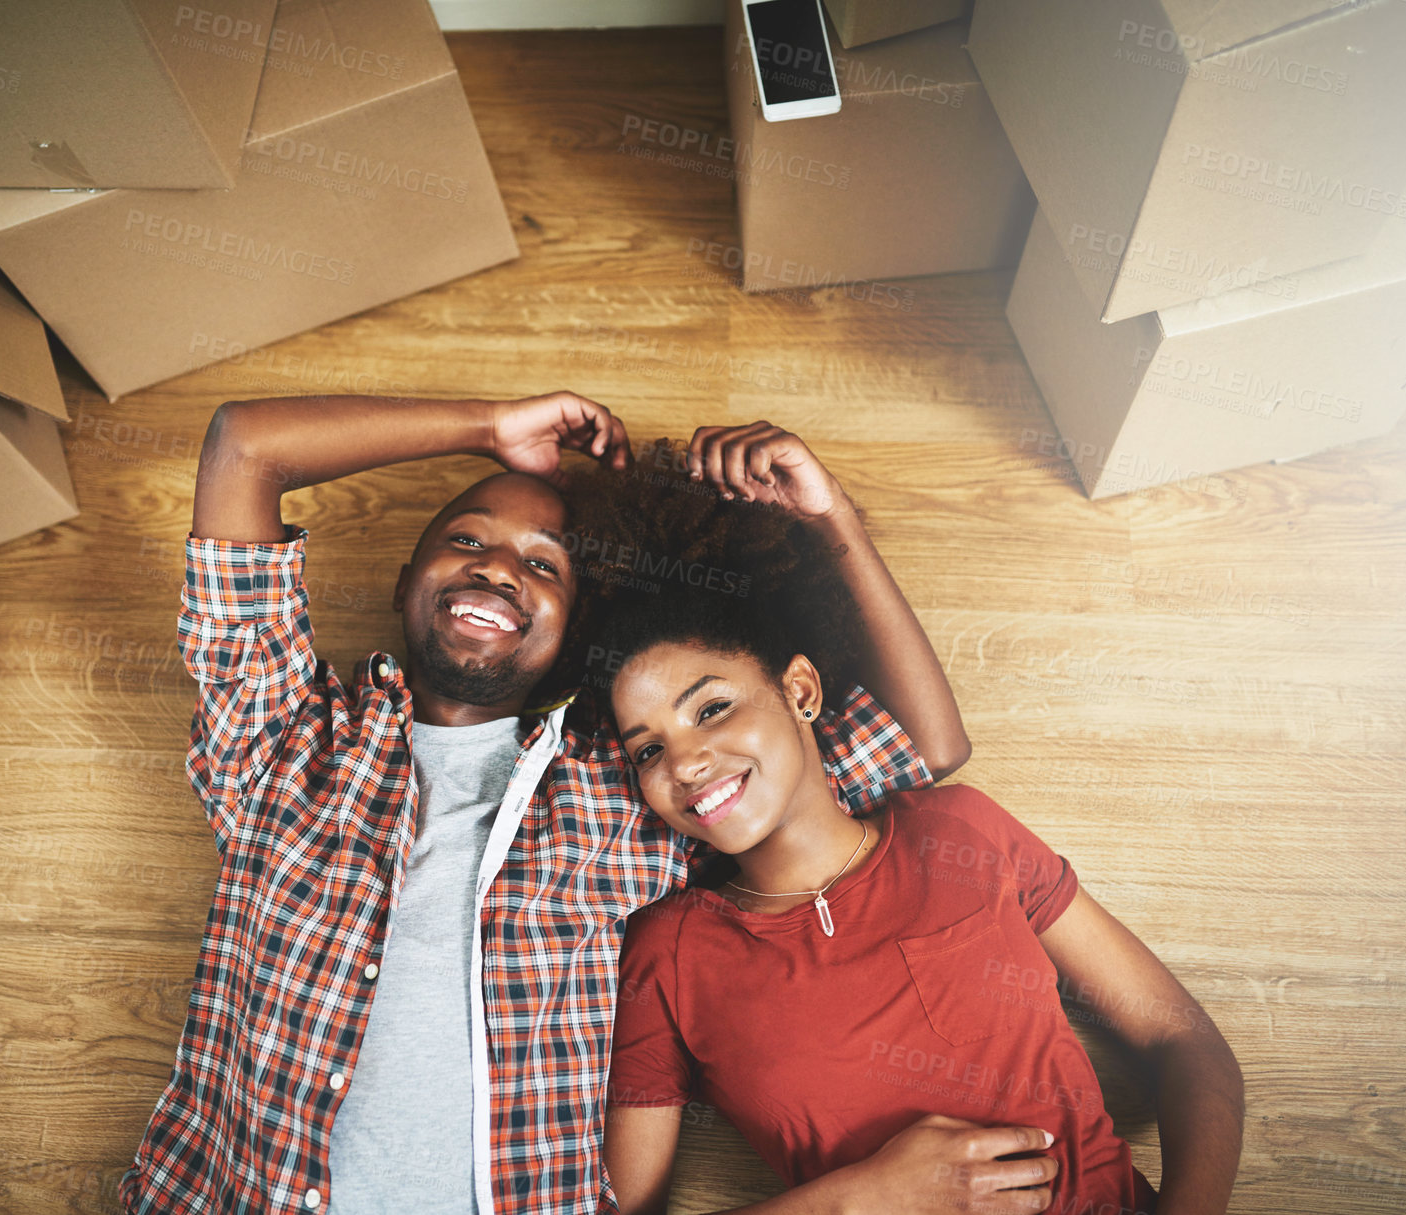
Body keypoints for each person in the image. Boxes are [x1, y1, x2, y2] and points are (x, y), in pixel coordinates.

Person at [117, 393, 972, 1214]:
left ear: (576, 635)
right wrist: (489, 425)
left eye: (542, 563)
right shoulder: (284, 741)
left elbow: (924, 742)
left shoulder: (625, 790)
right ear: (405, 580)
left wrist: (832, 519)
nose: (496, 566)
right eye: (464, 540)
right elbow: (244, 446)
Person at [589, 433, 1246, 1215]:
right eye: (650, 749)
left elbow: (1184, 1041)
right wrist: (863, 1197)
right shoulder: (669, 953)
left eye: (712, 707)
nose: (687, 761)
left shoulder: (958, 829)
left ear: (800, 689)